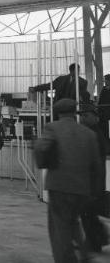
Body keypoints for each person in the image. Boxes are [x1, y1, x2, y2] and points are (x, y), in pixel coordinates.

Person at [35, 99, 101, 263]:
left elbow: (41, 150)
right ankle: (83, 255)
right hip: (82, 189)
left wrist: (42, 161)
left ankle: (66, 259)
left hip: (59, 187)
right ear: (74, 112)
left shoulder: (52, 128)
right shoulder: (89, 134)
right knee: (73, 222)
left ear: (57, 113)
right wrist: (95, 190)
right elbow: (97, 165)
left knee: (59, 228)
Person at [79, 104, 108, 254]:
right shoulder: (92, 133)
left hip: (92, 185)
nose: (82, 118)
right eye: (81, 115)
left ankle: (95, 243)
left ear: (95, 117)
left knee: (89, 215)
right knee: (90, 216)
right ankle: (96, 240)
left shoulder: (93, 135)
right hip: (92, 184)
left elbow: (94, 164)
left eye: (86, 115)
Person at [97, 73, 110, 147]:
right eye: (105, 80)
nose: (105, 82)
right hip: (104, 113)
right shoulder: (104, 89)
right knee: (104, 130)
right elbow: (100, 101)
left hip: (108, 112)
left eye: (106, 80)